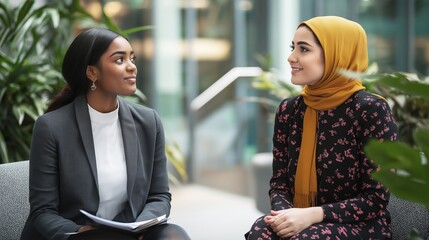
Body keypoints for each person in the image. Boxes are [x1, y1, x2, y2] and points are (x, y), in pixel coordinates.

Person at [20, 28, 190, 240]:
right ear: (92, 72)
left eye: (132, 58)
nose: (132, 67)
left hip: (128, 228)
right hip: (75, 232)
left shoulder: (148, 121)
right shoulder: (52, 127)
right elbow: (42, 211)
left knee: (175, 235)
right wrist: (83, 232)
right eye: (119, 60)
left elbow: (159, 195)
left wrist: (141, 226)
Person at [245, 16, 398, 240]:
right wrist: (286, 215)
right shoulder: (289, 110)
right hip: (298, 217)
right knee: (261, 232)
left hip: (360, 225)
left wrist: (312, 215)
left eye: (304, 49)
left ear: (337, 55)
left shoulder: (370, 110)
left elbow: (375, 199)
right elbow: (279, 183)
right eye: (293, 47)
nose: (291, 57)